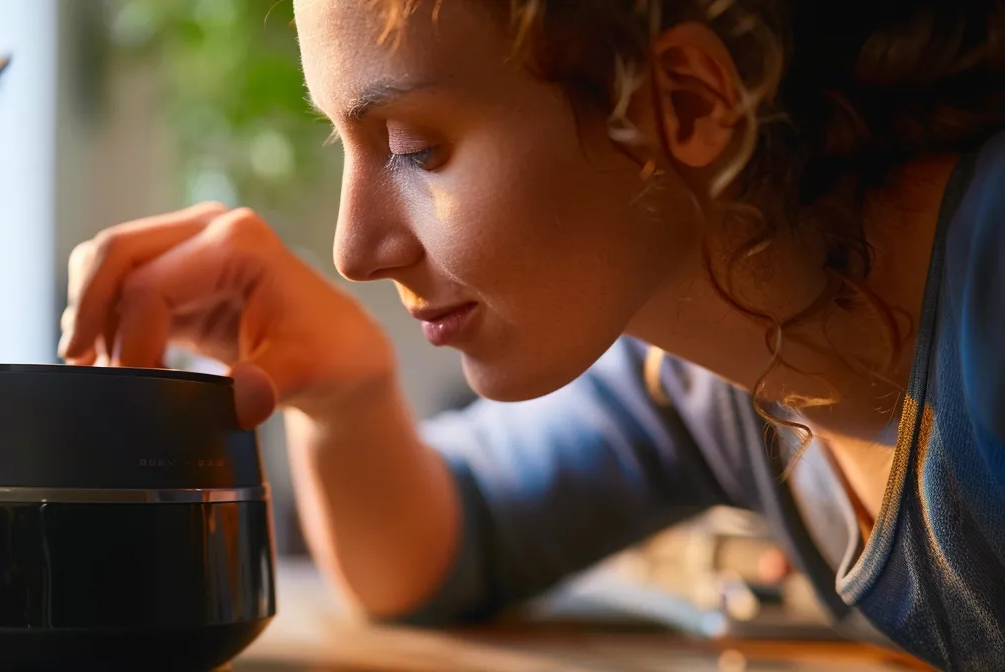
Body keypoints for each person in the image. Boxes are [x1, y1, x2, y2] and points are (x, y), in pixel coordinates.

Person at [57, 0, 1005, 669]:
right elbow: (439, 548)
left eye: (415, 149)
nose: (355, 250)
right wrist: (344, 395)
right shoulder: (706, 368)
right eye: (341, 145)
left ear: (684, 104)